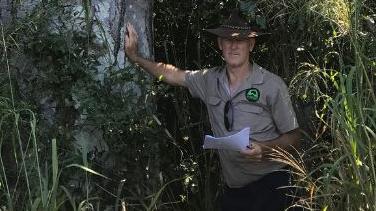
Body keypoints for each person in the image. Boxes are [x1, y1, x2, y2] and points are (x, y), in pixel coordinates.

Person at [124, 9, 301, 211]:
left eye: (240, 40)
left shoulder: (271, 84)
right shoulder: (209, 79)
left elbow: (294, 137)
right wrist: (136, 58)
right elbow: (172, 75)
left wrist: (264, 149)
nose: (233, 45)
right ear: (220, 44)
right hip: (235, 190)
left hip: (273, 185)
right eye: (227, 40)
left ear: (251, 45)